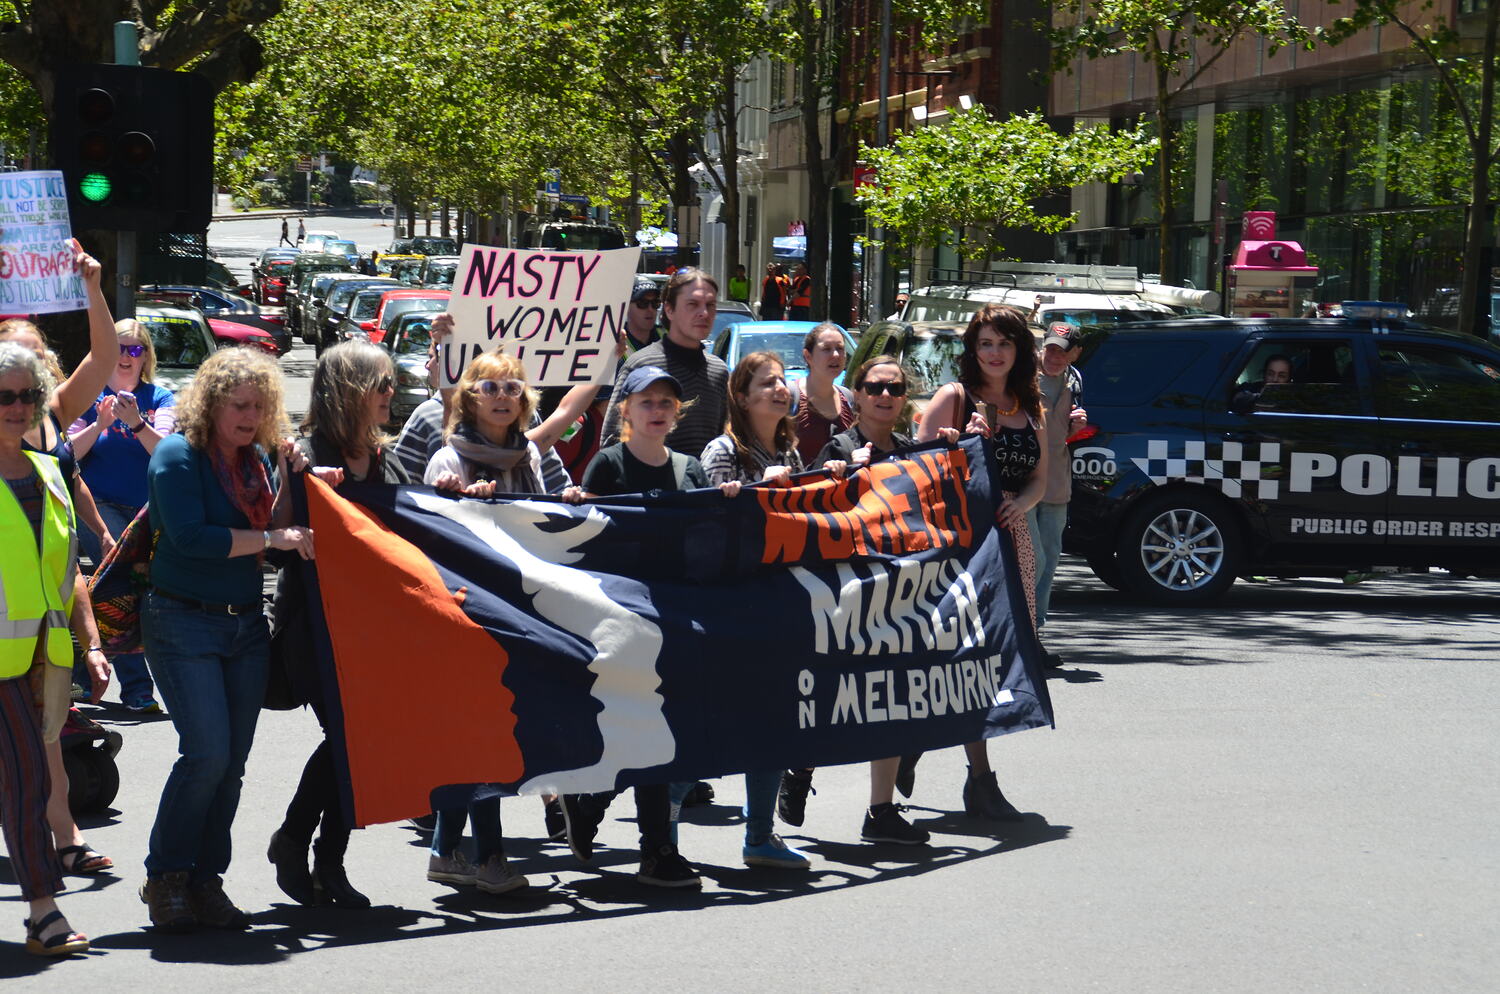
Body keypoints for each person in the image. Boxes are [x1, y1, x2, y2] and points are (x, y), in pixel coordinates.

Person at [140, 347, 316, 932]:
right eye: (238, 404)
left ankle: (204, 880)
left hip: (245, 625)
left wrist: (290, 476)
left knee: (232, 765)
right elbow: (192, 538)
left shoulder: (258, 459)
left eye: (259, 406)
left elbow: (278, 529)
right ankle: (165, 876)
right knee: (207, 754)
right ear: (212, 403)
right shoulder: (176, 454)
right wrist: (274, 535)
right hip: (182, 620)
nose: (249, 415)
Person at [559, 366, 735, 889]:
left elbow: (710, 539)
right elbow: (590, 541)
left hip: (679, 620)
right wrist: (578, 508)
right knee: (641, 727)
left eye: (666, 402)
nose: (657, 410)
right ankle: (655, 847)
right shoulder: (608, 465)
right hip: (623, 621)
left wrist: (728, 504)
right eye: (646, 402)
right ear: (626, 411)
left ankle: (596, 802)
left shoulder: (689, 469)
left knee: (667, 729)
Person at [267, 341, 408, 909]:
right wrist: (299, 482)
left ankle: (322, 856)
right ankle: (303, 845)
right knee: (350, 739)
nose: (391, 395)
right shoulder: (302, 451)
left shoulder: (383, 457)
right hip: (317, 627)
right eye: (383, 384)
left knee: (360, 741)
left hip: (373, 630)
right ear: (351, 390)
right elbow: (276, 541)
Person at [1, 246, 119, 877]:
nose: (26, 359)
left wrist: (93, 286)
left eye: (33, 350)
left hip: (42, 606)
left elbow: (104, 359)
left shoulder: (51, 414)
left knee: (47, 727)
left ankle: (64, 840)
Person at [912, 303, 1048, 824]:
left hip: (1012, 542)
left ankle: (922, 752)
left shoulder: (1027, 404)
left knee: (992, 661)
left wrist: (1026, 502)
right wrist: (962, 447)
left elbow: (1040, 474)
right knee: (960, 659)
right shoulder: (954, 397)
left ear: (1019, 351)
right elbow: (912, 471)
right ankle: (978, 778)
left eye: (1005, 344)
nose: (995, 353)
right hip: (957, 545)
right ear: (973, 350)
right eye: (986, 343)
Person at [697, 352, 811, 870]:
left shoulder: (791, 448)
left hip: (782, 605)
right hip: (734, 606)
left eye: (783, 383)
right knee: (713, 725)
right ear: (742, 398)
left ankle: (759, 837)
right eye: (767, 384)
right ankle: (663, 833)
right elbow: (718, 527)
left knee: (772, 724)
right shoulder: (722, 451)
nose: (779, 390)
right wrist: (767, 492)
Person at [0, 342, 91, 957]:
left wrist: (90, 643)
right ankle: (43, 911)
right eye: (4, 396)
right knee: (27, 780)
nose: (17, 407)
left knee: (26, 779)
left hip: (40, 661)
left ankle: (42, 912)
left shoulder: (52, 476)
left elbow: (68, 574)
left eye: (28, 396)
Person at [69, 318, 176, 714]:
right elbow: (68, 455)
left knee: (117, 590)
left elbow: (166, 452)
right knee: (122, 585)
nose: (127, 357)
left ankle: (82, 675)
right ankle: (137, 689)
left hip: (148, 511)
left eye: (135, 349)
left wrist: (136, 422)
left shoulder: (161, 397)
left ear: (145, 356)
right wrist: (100, 423)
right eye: (119, 349)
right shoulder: (89, 396)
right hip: (99, 507)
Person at [601, 268, 729, 459]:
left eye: (710, 305)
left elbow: (724, 442)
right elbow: (611, 440)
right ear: (669, 309)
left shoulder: (719, 371)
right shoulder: (641, 364)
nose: (704, 313)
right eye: (692, 304)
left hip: (705, 488)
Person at [1029, 324, 1086, 663]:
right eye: (1050, 348)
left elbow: (1064, 434)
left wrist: (1076, 426)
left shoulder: (1075, 381)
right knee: (1030, 559)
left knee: (1049, 561)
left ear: (1075, 353)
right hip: (1022, 483)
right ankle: (1017, 632)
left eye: (1062, 351)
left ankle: (1034, 634)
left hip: (1056, 484)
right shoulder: (1021, 375)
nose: (1054, 356)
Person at [789, 323, 855, 466]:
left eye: (840, 348)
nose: (836, 355)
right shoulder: (789, 396)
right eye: (826, 349)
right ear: (808, 356)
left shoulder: (848, 398)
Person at [624, 279, 665, 355]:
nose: (650, 309)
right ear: (627, 307)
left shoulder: (667, 337)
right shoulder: (616, 344)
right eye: (643, 303)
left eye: (655, 303)